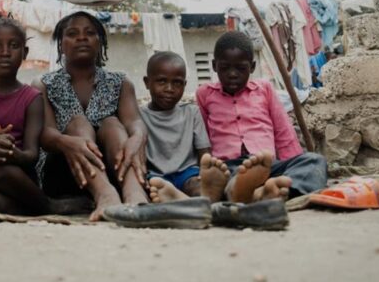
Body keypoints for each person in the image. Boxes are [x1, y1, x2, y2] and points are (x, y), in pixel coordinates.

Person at [0, 15, 87, 215]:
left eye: (13, 45)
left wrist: (12, 154)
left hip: (18, 176)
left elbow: (32, 155)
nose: (5, 53)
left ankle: (42, 205)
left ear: (24, 53)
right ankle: (43, 207)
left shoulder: (32, 98)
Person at [33, 11, 148, 221]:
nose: (82, 37)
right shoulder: (44, 84)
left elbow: (134, 122)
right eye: (72, 33)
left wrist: (137, 138)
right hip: (62, 171)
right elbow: (45, 133)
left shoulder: (120, 82)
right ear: (61, 45)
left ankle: (135, 195)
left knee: (112, 124)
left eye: (89, 33)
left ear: (100, 41)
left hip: (115, 169)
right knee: (78, 123)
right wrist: (66, 142)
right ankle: (106, 196)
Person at [195, 31, 328, 203]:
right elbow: (202, 137)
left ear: (252, 66)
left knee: (314, 161)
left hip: (267, 166)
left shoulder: (264, 89)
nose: (233, 74)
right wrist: (203, 168)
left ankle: (265, 190)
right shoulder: (205, 94)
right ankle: (246, 189)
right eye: (225, 67)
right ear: (214, 66)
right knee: (224, 178)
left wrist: (288, 165)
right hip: (227, 167)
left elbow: (283, 133)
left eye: (241, 68)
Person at [139, 52, 231, 204]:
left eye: (177, 83)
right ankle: (190, 201)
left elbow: (204, 152)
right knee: (153, 188)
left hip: (187, 173)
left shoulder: (191, 112)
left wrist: (206, 172)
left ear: (185, 85)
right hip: (156, 176)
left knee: (197, 186)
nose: (169, 88)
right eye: (162, 81)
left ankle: (191, 198)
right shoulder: (139, 115)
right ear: (147, 82)